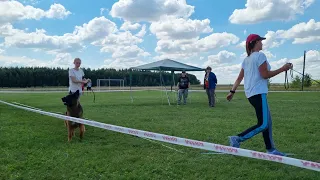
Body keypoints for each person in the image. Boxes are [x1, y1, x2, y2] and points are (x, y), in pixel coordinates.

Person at [226, 34, 292, 156]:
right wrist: (282, 69)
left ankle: (271, 149)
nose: (262, 43)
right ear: (255, 43)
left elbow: (239, 78)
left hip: (251, 95)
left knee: (267, 122)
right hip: (258, 93)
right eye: (260, 41)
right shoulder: (260, 56)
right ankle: (238, 138)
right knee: (264, 124)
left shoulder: (246, 60)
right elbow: (265, 75)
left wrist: (232, 92)